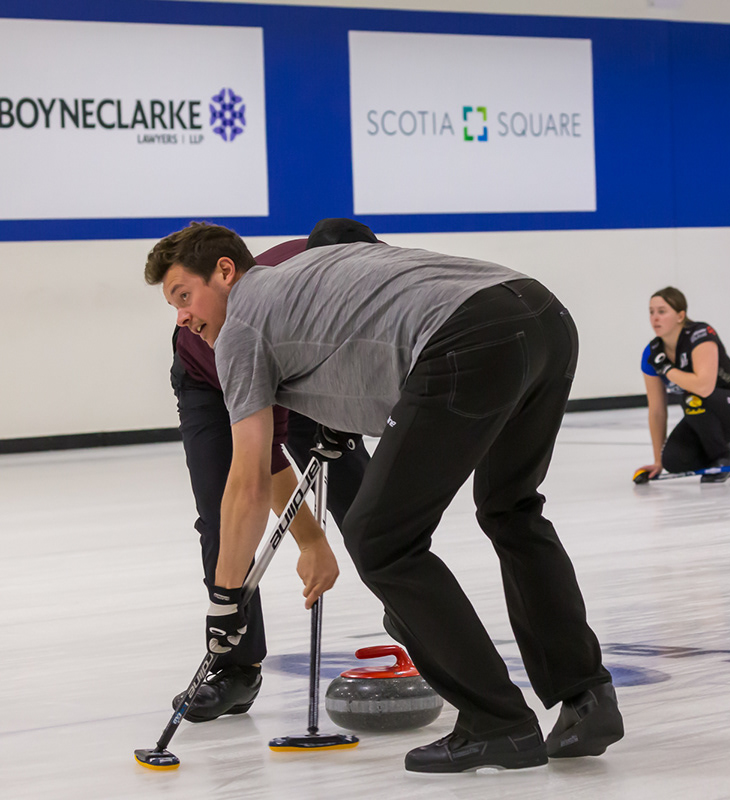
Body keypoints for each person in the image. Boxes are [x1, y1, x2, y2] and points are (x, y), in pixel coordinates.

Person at [144, 222, 621, 773]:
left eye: (184, 296)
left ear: (225, 272)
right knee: (510, 508)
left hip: (467, 339)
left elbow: (248, 479)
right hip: (543, 316)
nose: (181, 317)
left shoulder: (241, 327)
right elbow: (367, 317)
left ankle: (499, 723)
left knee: (380, 540)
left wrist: (225, 602)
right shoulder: (307, 271)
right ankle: (587, 697)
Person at [167, 219, 374, 721]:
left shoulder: (379, 292)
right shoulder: (260, 315)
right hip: (213, 383)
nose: (179, 316)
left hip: (308, 369)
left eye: (181, 299)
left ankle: (414, 614)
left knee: (370, 510)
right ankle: (235, 668)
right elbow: (260, 466)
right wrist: (310, 540)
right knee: (224, 513)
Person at [636, 287, 730, 482]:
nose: (655, 318)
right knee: (673, 461)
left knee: (693, 398)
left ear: (680, 316)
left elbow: (704, 387)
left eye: (662, 312)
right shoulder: (653, 353)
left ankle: (723, 457)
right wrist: (658, 461)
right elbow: (656, 410)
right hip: (705, 413)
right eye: (651, 312)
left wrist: (667, 369)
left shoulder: (700, 335)